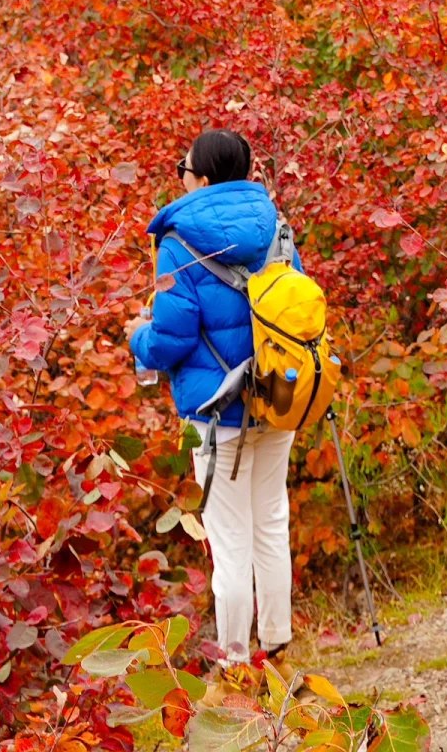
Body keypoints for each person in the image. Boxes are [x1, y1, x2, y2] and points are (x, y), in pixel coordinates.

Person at [128, 129, 300, 678]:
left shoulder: (178, 242)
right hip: (277, 396)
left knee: (229, 541)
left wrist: (137, 338)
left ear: (200, 178)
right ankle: (276, 645)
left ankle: (235, 665)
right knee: (270, 520)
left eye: (183, 168)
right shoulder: (276, 228)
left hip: (216, 411)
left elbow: (171, 341)